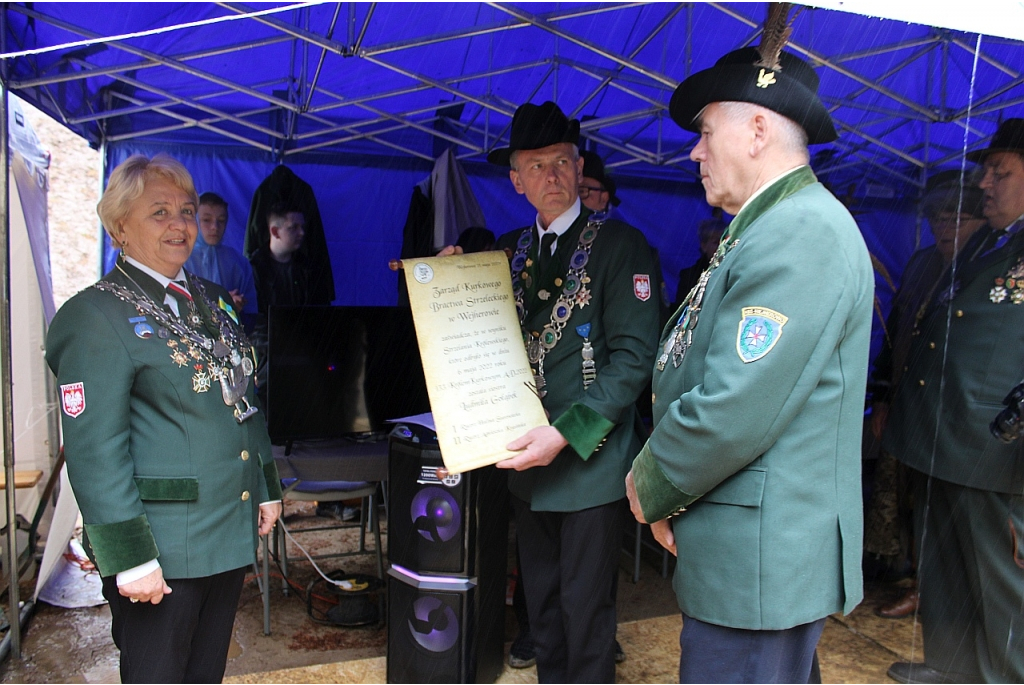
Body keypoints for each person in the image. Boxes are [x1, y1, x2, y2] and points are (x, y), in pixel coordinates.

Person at [625, 36, 874, 683]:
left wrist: (649, 482)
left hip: (760, 564)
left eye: (707, 131)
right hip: (753, 555)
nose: (695, 150)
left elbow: (735, 404)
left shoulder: (800, 230)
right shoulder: (771, 224)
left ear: (758, 128)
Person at [45, 154, 282, 683]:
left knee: (204, 675)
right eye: (159, 212)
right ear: (119, 227)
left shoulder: (214, 301)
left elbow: (242, 400)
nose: (179, 225)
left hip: (225, 526)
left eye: (186, 211)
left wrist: (264, 482)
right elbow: (94, 450)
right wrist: (129, 556)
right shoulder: (94, 317)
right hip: (162, 547)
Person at [475, 101, 660, 683]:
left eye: (561, 162)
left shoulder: (620, 247)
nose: (550, 176)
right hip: (529, 464)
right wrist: (445, 279)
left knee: (586, 613)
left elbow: (633, 361)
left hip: (588, 465)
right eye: (535, 166)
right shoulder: (508, 252)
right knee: (544, 610)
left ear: (580, 169)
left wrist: (565, 433)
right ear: (516, 180)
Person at [884, 118, 1024, 683]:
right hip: (945, 434)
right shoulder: (992, 240)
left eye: (1001, 172)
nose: (984, 183)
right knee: (944, 567)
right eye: (987, 170)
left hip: (996, 446)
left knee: (999, 579)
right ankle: (953, 668)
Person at [865, 171, 985, 619]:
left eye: (956, 218)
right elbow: (895, 333)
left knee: (944, 504)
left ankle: (937, 588)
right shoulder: (920, 263)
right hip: (909, 405)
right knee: (907, 496)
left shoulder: (984, 267)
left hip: (957, 413)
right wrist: (881, 396)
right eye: (936, 219)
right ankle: (914, 576)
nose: (944, 228)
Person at [184, 191, 257, 315]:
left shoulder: (238, 263)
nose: (215, 227)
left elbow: (251, 312)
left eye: (221, 220)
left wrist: (235, 308)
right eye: (206, 220)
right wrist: (221, 303)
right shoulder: (181, 259)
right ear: (194, 220)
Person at [673, 216, 725, 310]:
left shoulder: (735, 269)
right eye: (715, 242)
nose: (721, 247)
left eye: (724, 242)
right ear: (704, 246)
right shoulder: (689, 276)